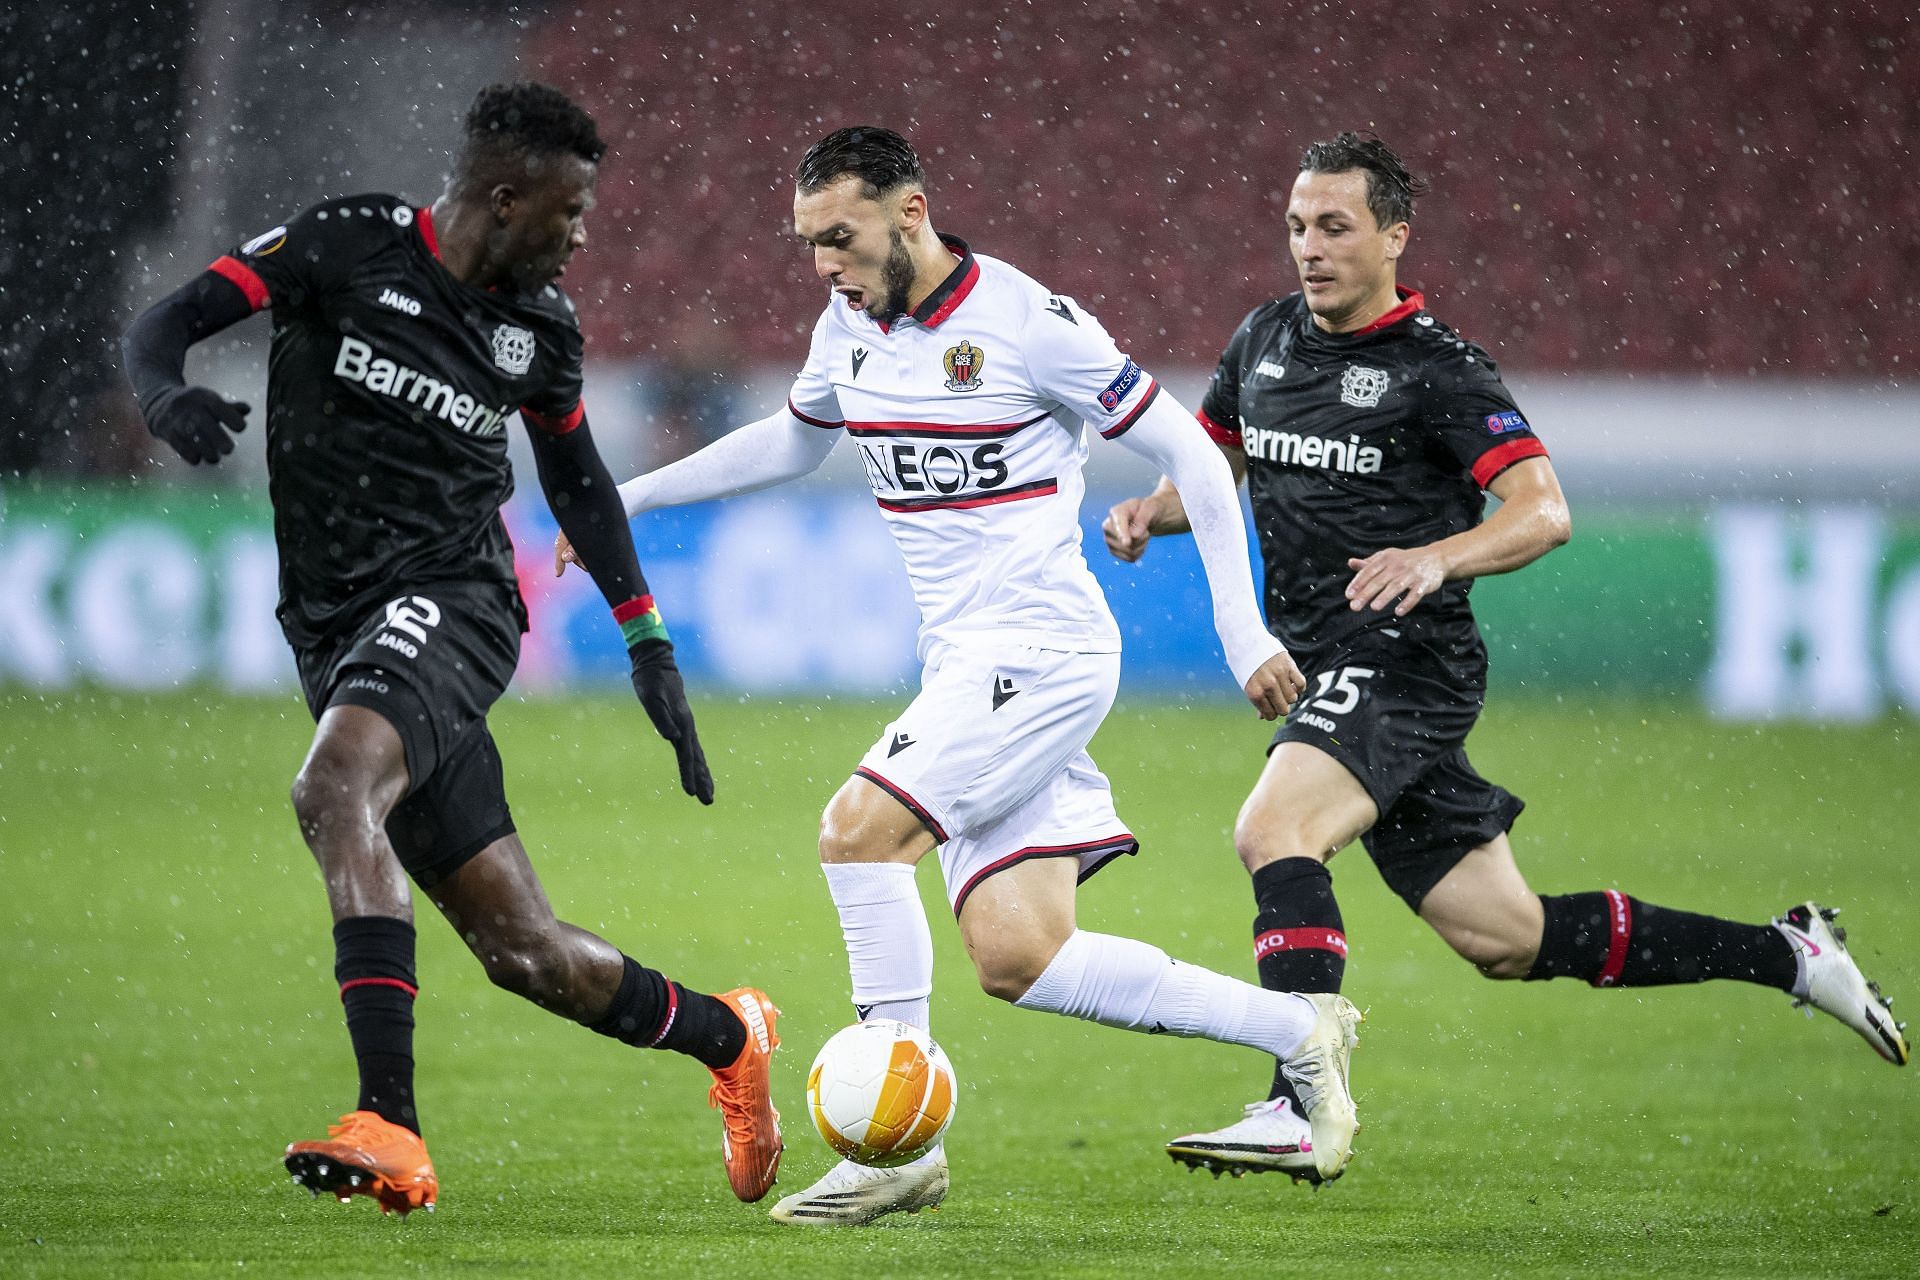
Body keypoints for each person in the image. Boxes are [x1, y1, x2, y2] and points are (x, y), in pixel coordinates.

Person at [557, 125, 1366, 1225]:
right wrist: (632, 496)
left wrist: (1242, 631)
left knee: (857, 831)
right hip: (970, 660)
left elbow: (1191, 452)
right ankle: (1301, 1030)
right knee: (1019, 953)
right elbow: (796, 441)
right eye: (807, 245)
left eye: (838, 238)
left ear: (910, 211)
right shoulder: (846, 325)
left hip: (1042, 649)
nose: (823, 265)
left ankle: (900, 1148)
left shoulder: (1029, 324)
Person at [1103, 132, 1910, 1182]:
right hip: (1332, 664)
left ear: (1394, 235)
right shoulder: (1264, 339)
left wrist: (1436, 556)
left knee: (1276, 826)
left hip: (1406, 660)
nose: (1310, 247)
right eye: (1298, 225)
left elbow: (1544, 509)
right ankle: (1793, 953)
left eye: (1336, 226)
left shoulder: (1438, 369)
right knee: (1507, 936)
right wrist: (1147, 513)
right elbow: (1220, 471)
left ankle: (1298, 1099)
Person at [120, 82, 784, 1215]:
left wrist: (649, 642)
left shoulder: (541, 331)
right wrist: (161, 393)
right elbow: (165, 321)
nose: (580, 237)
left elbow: (575, 479)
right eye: (570, 213)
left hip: (456, 600)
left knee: (334, 787)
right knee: (523, 950)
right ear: (504, 197)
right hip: (334, 626)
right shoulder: (346, 245)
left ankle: (392, 1122)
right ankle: (730, 1034)